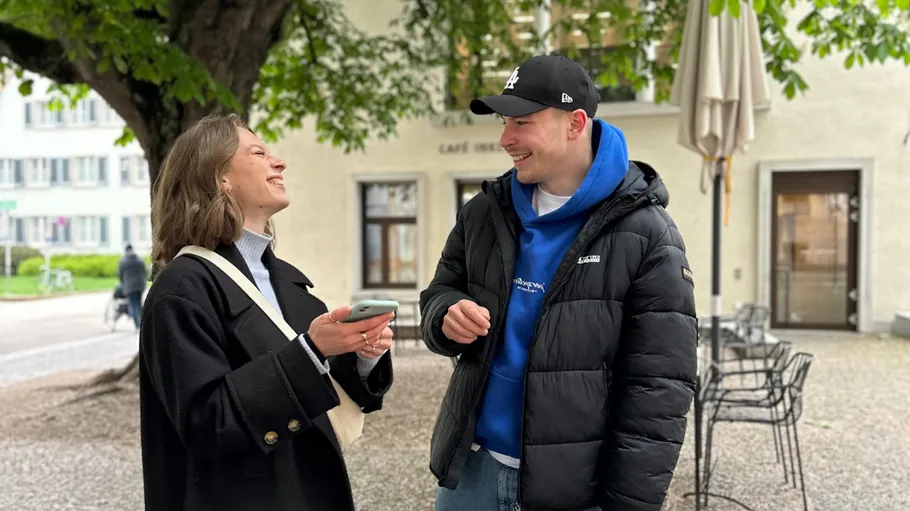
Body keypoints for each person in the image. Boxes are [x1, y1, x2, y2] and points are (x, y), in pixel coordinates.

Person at [419, 54, 698, 511]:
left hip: (574, 489)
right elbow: (438, 293)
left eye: (522, 123)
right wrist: (444, 316)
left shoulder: (649, 234)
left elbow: (659, 391)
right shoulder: (484, 211)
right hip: (469, 473)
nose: (506, 140)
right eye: (504, 123)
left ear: (575, 123)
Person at [138, 113, 395, 511]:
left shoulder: (286, 280)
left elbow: (332, 391)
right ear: (218, 177)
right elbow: (206, 422)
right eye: (259, 152)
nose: (280, 163)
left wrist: (364, 353)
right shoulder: (180, 289)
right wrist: (310, 352)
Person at [117, 243, 148, 330]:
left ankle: (137, 326)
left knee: (133, 305)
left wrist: (123, 284)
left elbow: (120, 275)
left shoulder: (123, 261)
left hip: (130, 287)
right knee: (139, 304)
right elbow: (145, 272)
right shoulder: (139, 259)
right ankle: (143, 324)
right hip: (140, 286)